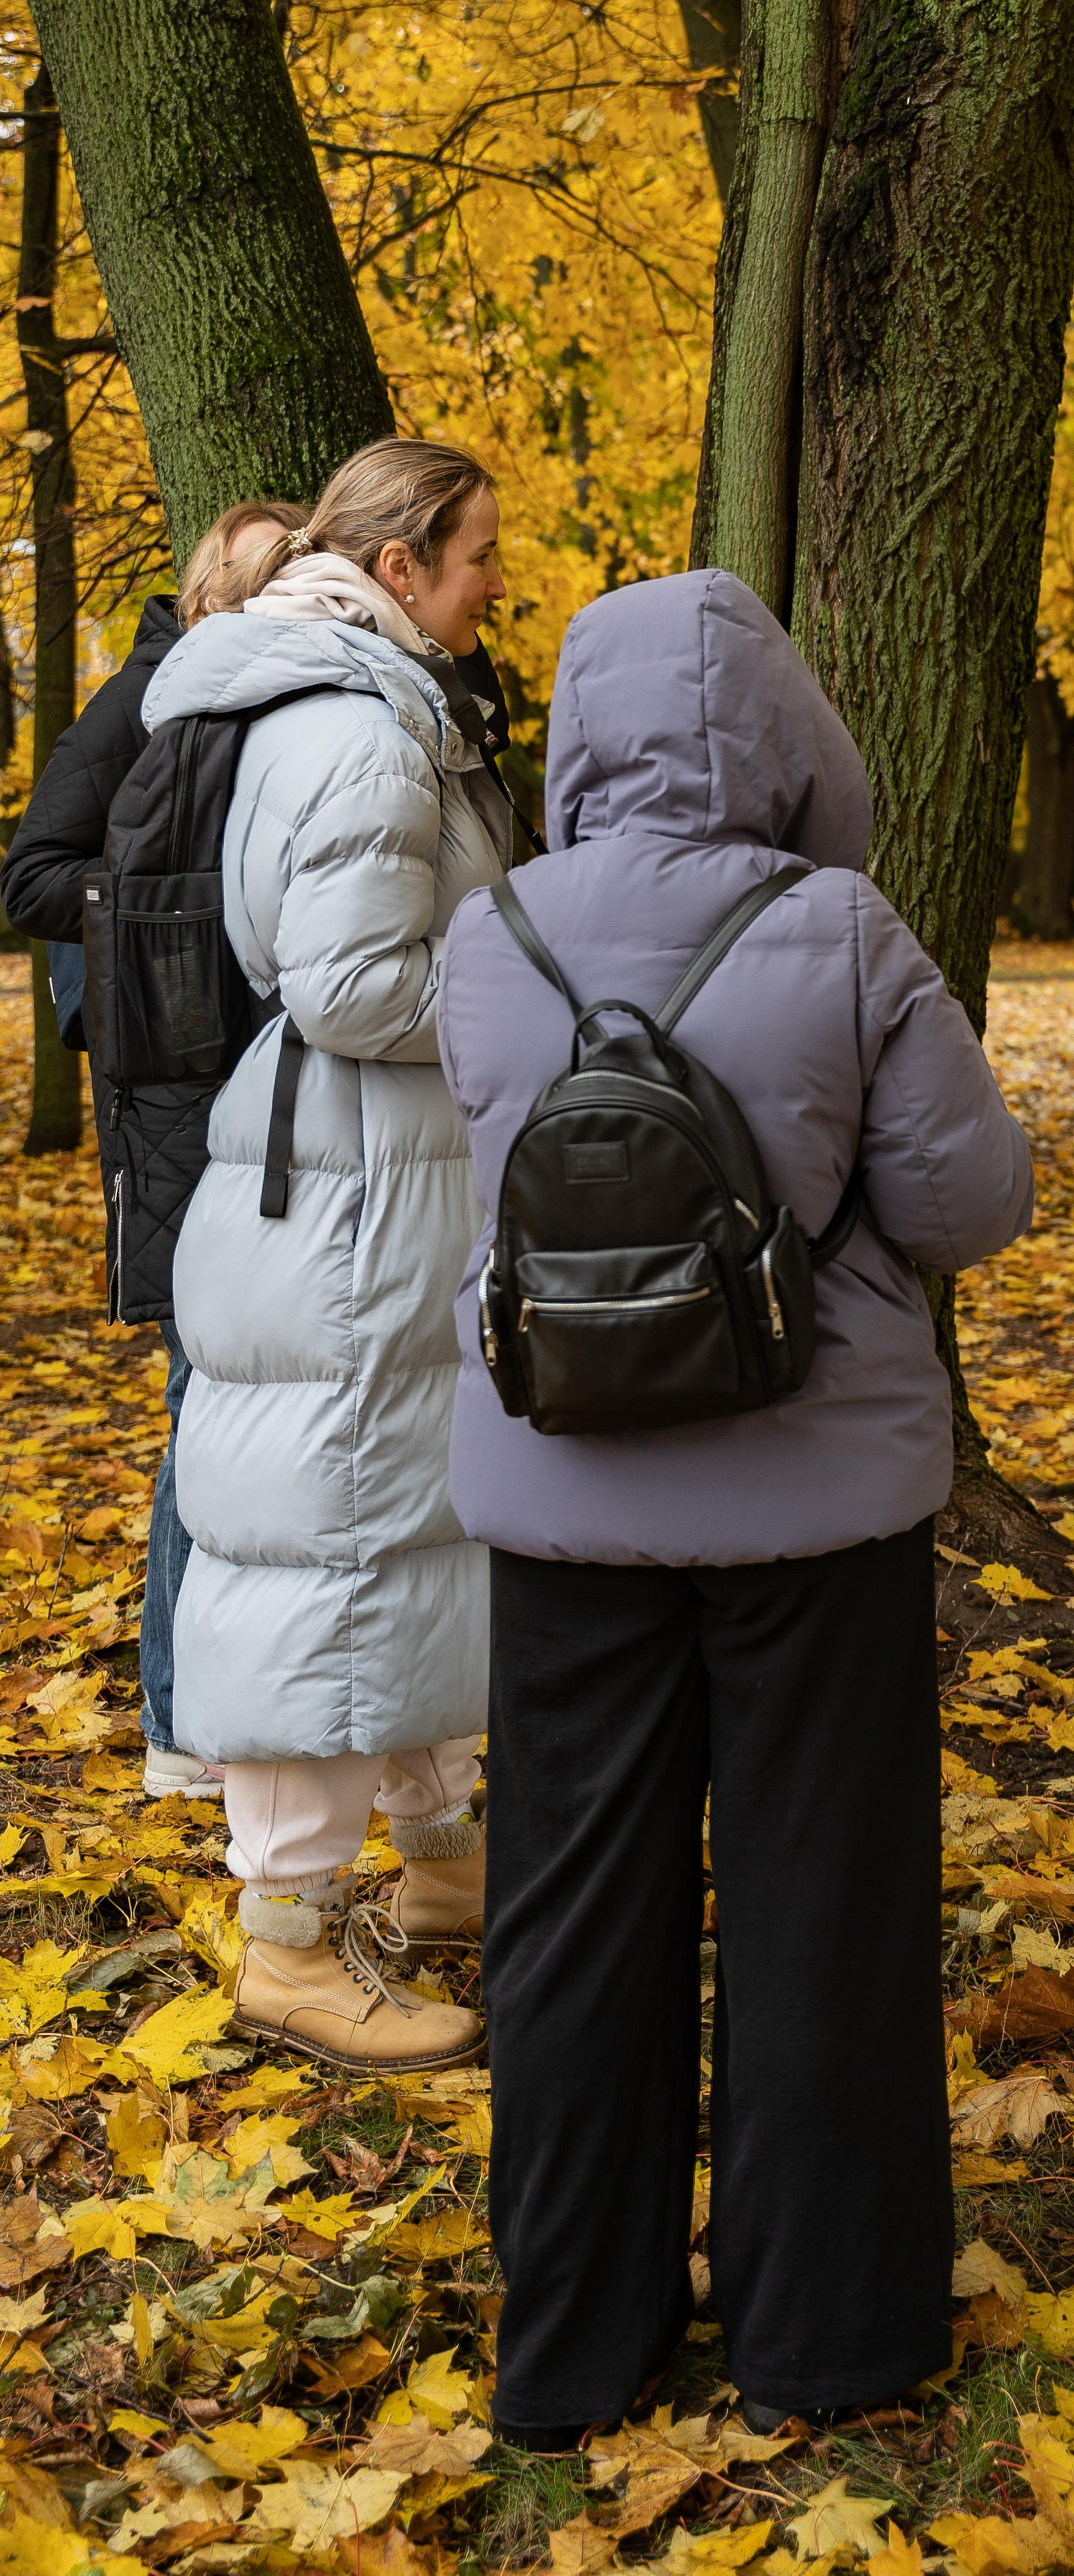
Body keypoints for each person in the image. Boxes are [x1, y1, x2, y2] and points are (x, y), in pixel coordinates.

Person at [437, 568, 1034, 2445]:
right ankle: (825, 2333)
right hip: (815, 1509)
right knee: (820, 1910)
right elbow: (970, 1207)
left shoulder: (493, 932)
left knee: (569, 1916)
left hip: (558, 1499)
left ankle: (575, 2346)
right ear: (784, 734)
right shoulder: (840, 926)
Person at [151, 438, 515, 2072]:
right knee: (338, 1543)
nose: (493, 581)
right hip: (352, 1199)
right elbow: (360, 988)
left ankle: (441, 1873)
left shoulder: (333, 704)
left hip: (357, 1182)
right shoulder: (362, 734)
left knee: (396, 1531)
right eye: (476, 553)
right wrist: (534, 1013)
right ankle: (285, 1947)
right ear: (395, 566)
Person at [0, 497, 305, 1800]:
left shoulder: (274, 708)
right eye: (270, 570)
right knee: (203, 1408)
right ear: (212, 584)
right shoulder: (144, 697)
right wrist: (175, 906)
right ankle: (177, 1721)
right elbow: (28, 878)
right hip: (169, 1099)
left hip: (264, 1093)